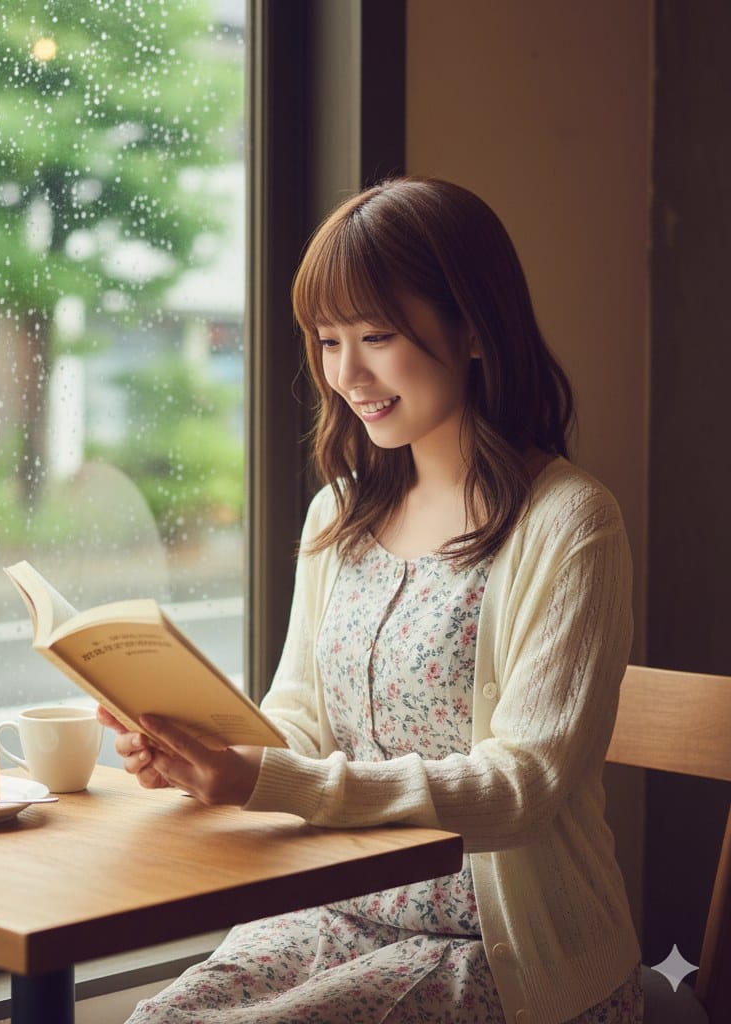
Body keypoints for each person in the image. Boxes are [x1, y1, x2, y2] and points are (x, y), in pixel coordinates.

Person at [98, 176, 643, 1024]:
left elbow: (523, 786)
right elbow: (303, 723)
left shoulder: (570, 523)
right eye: (326, 340)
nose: (346, 373)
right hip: (332, 908)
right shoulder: (340, 515)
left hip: (502, 950)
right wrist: (203, 752)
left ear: (470, 326)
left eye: (377, 336)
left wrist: (272, 779)